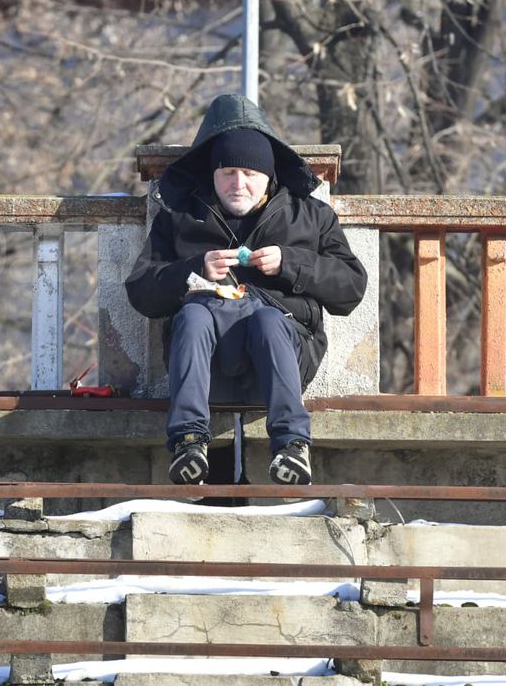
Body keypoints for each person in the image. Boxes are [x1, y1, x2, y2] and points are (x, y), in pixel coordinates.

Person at [124, 93, 367, 486]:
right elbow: (140, 290)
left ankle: (292, 446)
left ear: (269, 176)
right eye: (228, 173)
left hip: (284, 356)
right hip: (205, 367)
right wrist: (193, 270)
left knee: (268, 321)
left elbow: (351, 288)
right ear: (212, 174)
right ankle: (188, 442)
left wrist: (290, 263)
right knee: (193, 316)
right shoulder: (180, 217)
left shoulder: (310, 216)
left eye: (250, 174)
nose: (238, 184)